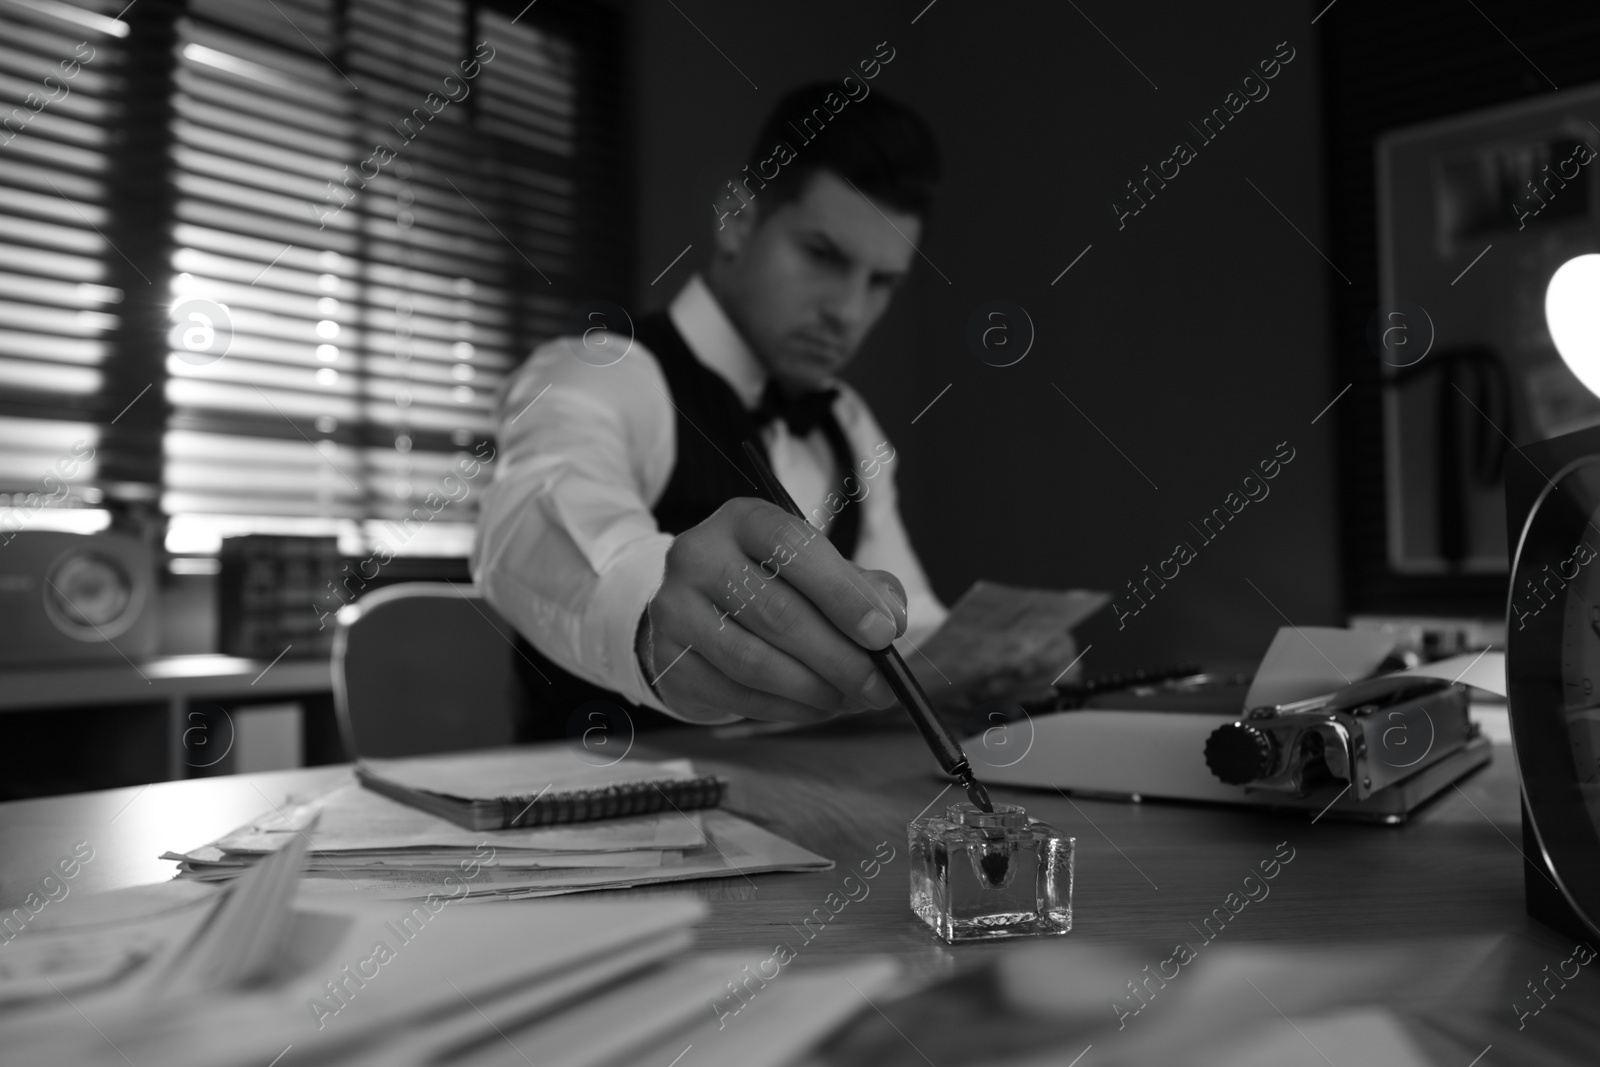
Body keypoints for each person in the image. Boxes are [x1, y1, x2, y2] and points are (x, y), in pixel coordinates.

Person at [473, 82, 1072, 737]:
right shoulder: (599, 372)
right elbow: (524, 525)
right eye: (822, 256)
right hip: (600, 818)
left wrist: (992, 663)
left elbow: (911, 625)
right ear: (737, 219)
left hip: (809, 809)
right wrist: (648, 605)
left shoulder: (848, 422)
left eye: (880, 283)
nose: (847, 311)